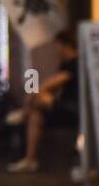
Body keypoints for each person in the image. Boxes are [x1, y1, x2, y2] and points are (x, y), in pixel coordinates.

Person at [8, 30, 80, 173]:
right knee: (36, 114)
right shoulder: (68, 64)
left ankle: (23, 114)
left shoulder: (74, 64)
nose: (55, 49)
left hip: (74, 108)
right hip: (67, 107)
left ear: (64, 45)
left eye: (57, 45)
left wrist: (35, 93)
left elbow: (50, 84)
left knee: (38, 95)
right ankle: (30, 159)